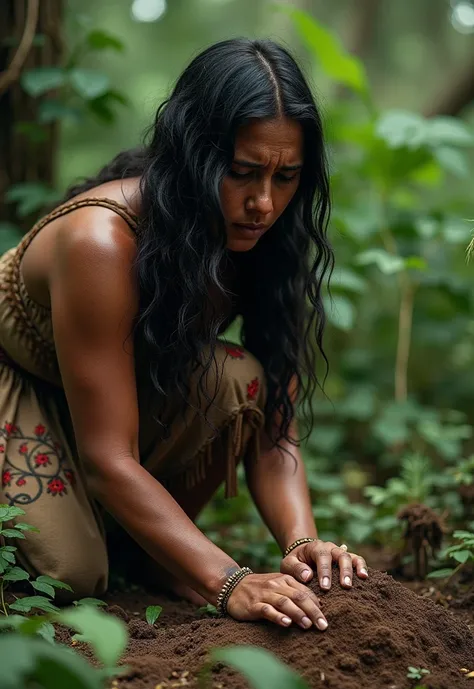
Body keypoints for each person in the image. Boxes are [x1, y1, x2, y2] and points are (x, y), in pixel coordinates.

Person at [0, 38, 368, 631]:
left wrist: (303, 546)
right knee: (67, 570)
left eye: (287, 176)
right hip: (22, 386)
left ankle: (153, 552)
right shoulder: (103, 241)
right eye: (242, 173)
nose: (264, 202)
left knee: (244, 378)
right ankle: (139, 545)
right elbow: (108, 455)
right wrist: (229, 582)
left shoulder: (263, 234)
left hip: (114, 399)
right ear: (192, 156)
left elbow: (275, 424)